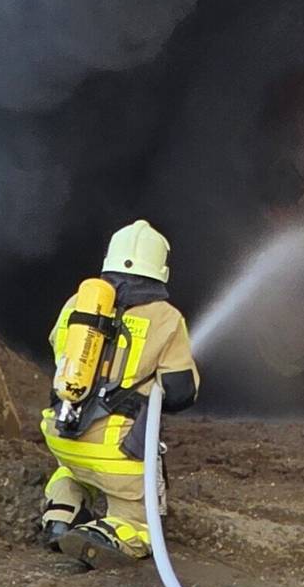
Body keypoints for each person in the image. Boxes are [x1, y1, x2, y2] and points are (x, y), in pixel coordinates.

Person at [40, 219, 199, 566]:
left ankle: (60, 516)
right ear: (161, 267)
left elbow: (59, 353)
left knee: (74, 472)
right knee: (140, 520)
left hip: (61, 433)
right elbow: (180, 391)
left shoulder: (76, 305)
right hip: (116, 452)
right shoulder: (165, 317)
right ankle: (111, 531)